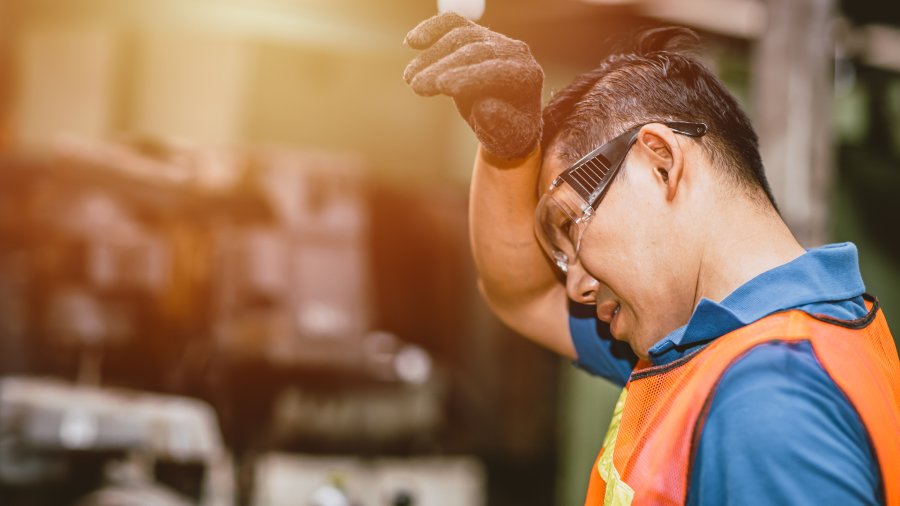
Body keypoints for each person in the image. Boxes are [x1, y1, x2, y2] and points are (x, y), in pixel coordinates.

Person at [403, 12, 900, 506]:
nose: (575, 286)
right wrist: (508, 151)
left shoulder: (768, 402)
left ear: (660, 162)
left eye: (571, 226)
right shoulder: (709, 346)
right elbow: (523, 292)